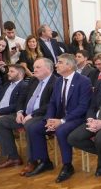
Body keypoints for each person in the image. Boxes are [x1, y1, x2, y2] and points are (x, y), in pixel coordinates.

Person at [25, 54, 92, 182]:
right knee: (34, 128)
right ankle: (45, 161)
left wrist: (61, 121)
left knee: (61, 130)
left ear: (70, 65)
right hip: (59, 117)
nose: (56, 65)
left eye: (60, 62)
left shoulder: (83, 81)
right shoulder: (59, 80)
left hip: (77, 118)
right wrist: (49, 119)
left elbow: (83, 107)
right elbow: (53, 103)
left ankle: (67, 165)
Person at [0, 58, 56, 173]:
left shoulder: (56, 82)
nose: (34, 70)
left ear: (48, 68)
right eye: (34, 67)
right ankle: (13, 157)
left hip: (42, 115)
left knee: (30, 125)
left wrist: (32, 115)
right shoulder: (33, 80)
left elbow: (51, 104)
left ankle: (32, 161)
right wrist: (19, 112)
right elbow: (22, 99)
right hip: (25, 114)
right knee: (1, 122)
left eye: (38, 67)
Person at [0, 64, 27, 167]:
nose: (8, 73)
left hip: (9, 114)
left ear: (20, 73)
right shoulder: (7, 84)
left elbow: (18, 105)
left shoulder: (24, 86)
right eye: (9, 71)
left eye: (12, 71)